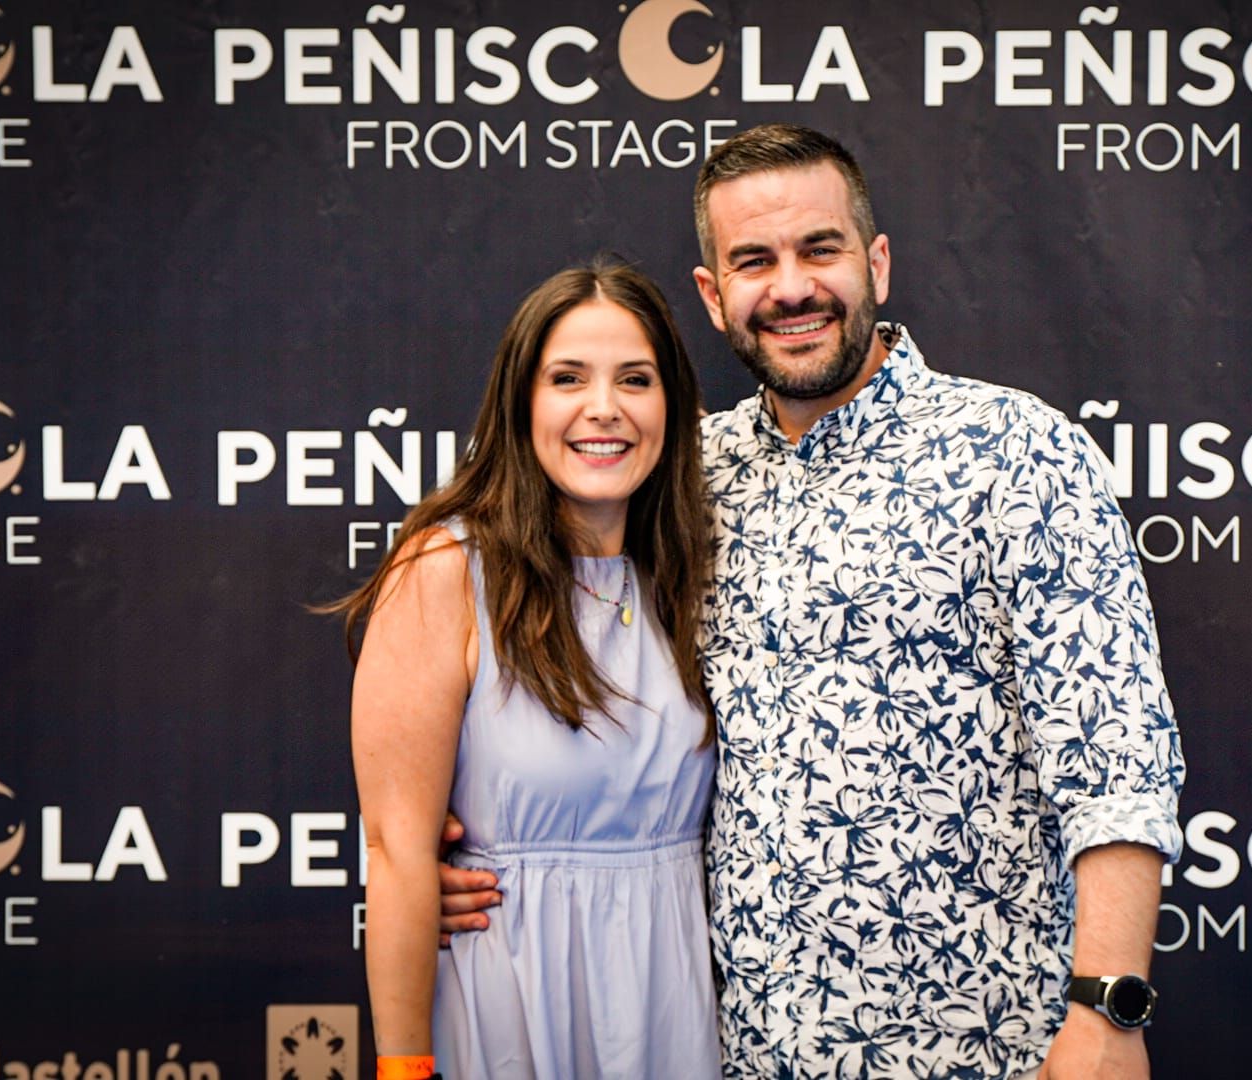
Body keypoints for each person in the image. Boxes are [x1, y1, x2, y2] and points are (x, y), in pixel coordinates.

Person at [444, 125, 1186, 1079]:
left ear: (875, 261)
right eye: (753, 260)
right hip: (745, 1051)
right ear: (715, 297)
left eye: (819, 249)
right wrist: (462, 860)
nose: (790, 288)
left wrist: (1108, 1011)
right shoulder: (683, 476)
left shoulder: (1016, 451)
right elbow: (569, 688)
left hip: (995, 1045)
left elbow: (1116, 757)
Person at [336, 260, 721, 1080]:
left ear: (674, 407)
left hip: (672, 1004)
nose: (603, 408)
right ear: (522, 402)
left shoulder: (686, 576)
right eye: (567, 377)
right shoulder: (444, 571)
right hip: (509, 1001)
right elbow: (399, 854)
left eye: (636, 379)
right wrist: (404, 1070)